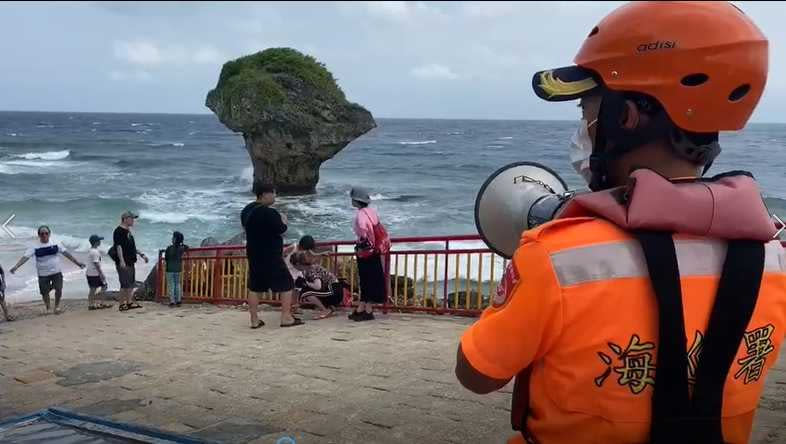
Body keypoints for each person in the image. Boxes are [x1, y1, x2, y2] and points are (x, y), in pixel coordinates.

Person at [455, 3, 785, 444]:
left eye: (586, 112)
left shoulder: (558, 257)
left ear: (624, 117)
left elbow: (476, 374)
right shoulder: (774, 257)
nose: (583, 129)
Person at [241, 181, 302, 328]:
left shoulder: (246, 210)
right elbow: (281, 229)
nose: (275, 196)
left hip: (254, 254)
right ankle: (286, 317)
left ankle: (254, 320)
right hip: (271, 255)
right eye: (273, 193)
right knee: (287, 284)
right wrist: (284, 221)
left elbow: (246, 227)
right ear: (265, 194)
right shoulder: (269, 212)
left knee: (255, 287)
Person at [9, 225, 85, 314]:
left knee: (59, 289)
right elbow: (25, 257)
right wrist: (16, 267)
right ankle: (48, 308)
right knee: (44, 292)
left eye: (46, 233)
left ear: (49, 234)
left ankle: (56, 307)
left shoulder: (56, 243)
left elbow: (66, 254)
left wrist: (78, 263)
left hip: (56, 271)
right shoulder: (34, 246)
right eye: (42, 234)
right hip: (43, 274)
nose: (44, 235)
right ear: (39, 235)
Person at [348, 187, 386, 322]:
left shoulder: (360, 215)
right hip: (374, 251)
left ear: (356, 200)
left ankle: (367, 311)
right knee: (372, 279)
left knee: (366, 280)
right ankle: (362, 308)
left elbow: (364, 233)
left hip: (366, 253)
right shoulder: (371, 212)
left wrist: (359, 248)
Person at [112, 211, 148, 312]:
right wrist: (121, 260)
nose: (133, 221)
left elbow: (132, 247)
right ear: (125, 219)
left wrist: (141, 254)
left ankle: (129, 302)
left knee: (130, 283)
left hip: (131, 261)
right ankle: (121, 304)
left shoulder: (129, 231)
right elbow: (118, 246)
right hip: (124, 261)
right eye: (131, 218)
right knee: (124, 284)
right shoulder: (118, 231)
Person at [290, 251, 341, 320]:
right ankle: (330, 308)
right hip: (334, 290)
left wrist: (306, 283)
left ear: (298, 264)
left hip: (334, 290)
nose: (294, 267)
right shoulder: (308, 269)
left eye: (294, 266)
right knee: (305, 290)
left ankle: (325, 310)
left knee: (305, 292)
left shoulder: (311, 270)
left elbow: (318, 286)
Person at [86, 235, 111, 310]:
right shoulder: (95, 252)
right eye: (99, 241)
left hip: (90, 273)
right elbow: (96, 264)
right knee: (104, 286)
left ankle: (91, 304)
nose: (100, 242)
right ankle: (101, 303)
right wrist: (101, 274)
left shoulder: (91, 250)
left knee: (93, 289)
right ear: (96, 242)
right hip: (95, 274)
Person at [164, 231, 189, 307]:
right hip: (178, 268)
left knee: (171, 284)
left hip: (170, 269)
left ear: (174, 239)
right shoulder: (181, 248)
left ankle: (172, 301)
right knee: (177, 284)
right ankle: (178, 300)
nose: (172, 239)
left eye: (173, 237)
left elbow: (166, 258)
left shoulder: (169, 248)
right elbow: (186, 247)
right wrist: (182, 243)